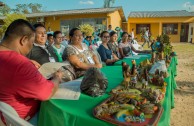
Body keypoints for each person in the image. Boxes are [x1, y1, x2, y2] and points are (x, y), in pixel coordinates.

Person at [0, 19, 63, 125]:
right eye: (31, 43)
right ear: (23, 40)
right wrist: (57, 78)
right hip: (23, 120)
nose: (31, 48)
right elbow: (46, 93)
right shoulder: (19, 64)